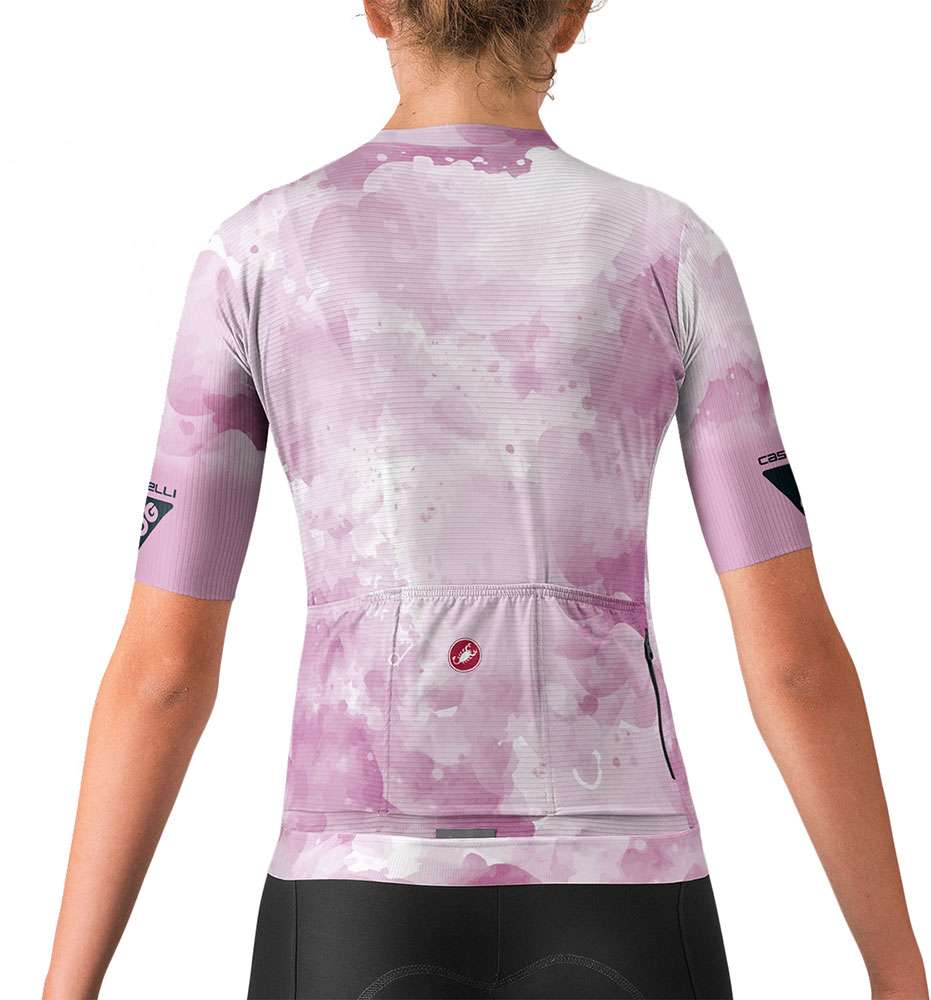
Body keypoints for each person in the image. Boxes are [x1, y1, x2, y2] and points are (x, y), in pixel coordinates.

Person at [44, 2, 927, 998]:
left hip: (351, 893)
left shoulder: (257, 254)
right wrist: (896, 967)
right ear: (570, 15)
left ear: (377, 9)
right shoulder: (666, 248)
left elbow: (163, 673)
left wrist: (67, 985)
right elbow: (794, 662)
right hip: (624, 885)